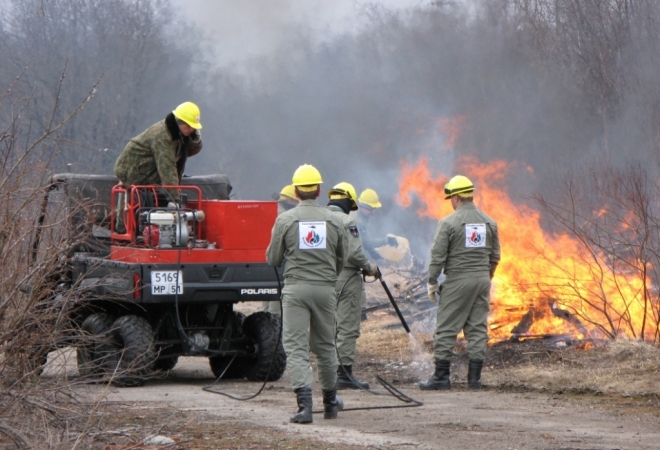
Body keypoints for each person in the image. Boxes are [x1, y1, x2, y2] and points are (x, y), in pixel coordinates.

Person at [266, 164, 347, 424]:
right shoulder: (334, 220)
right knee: (326, 346)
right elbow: (342, 258)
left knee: (297, 347)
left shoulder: (285, 220)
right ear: (320, 191)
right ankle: (331, 403)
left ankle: (305, 408)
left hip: (296, 291)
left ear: (297, 192)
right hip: (325, 289)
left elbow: (273, 258)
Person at [420, 175, 500, 391]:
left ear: (455, 197)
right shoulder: (489, 222)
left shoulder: (448, 223)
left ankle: (441, 378)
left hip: (457, 280)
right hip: (482, 279)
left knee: (446, 328)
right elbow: (495, 256)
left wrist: (432, 281)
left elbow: (438, 256)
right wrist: (485, 277)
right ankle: (474, 380)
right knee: (476, 329)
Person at [326, 182, 378, 390]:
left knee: (329, 325)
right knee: (347, 326)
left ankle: (328, 369)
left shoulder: (317, 219)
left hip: (321, 279)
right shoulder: (348, 222)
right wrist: (371, 268)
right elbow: (355, 254)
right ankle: (344, 374)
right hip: (346, 279)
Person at [114, 101, 203, 206]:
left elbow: (189, 151)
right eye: (189, 126)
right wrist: (174, 199)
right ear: (179, 121)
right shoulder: (163, 136)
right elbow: (167, 167)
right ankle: (121, 222)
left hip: (149, 173)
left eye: (194, 127)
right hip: (133, 172)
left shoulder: (179, 134)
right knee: (129, 216)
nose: (191, 129)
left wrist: (194, 140)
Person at [350, 188, 398, 320]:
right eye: (371, 209)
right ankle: (361, 317)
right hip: (351, 259)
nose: (373, 213)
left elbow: (365, 243)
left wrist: (374, 254)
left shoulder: (357, 215)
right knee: (358, 288)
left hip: (350, 256)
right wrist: (386, 241)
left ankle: (359, 315)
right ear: (364, 206)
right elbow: (368, 243)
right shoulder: (358, 221)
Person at [263, 184, 300, 315]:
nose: (297, 205)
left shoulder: (274, 210)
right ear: (290, 201)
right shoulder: (284, 215)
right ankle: (275, 322)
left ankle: (268, 320)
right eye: (296, 202)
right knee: (277, 293)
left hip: (268, 256)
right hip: (278, 258)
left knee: (269, 293)